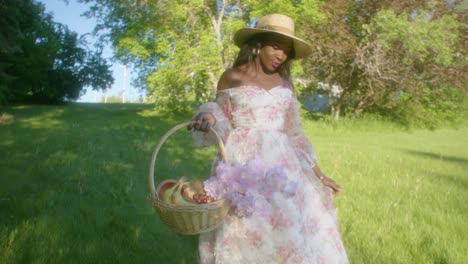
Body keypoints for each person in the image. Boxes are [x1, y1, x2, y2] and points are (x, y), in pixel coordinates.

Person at [189, 14, 349, 264]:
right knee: (245, 226)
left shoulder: (285, 84)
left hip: (283, 168)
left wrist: (319, 174)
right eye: (275, 46)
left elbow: (295, 134)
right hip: (242, 165)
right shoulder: (232, 77)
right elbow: (220, 117)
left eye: (286, 51)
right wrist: (208, 117)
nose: (280, 55)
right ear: (257, 44)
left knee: (286, 227)